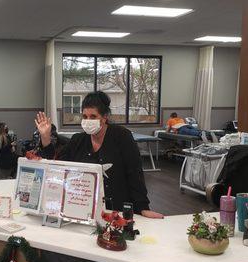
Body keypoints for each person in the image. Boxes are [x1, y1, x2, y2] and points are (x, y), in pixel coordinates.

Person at [35, 91, 163, 218]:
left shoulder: (122, 137)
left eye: (93, 116)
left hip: (116, 210)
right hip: (84, 208)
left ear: (105, 117)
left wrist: (143, 207)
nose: (88, 120)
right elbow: (56, 164)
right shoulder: (78, 140)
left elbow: (135, 173)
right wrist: (45, 138)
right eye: (84, 117)